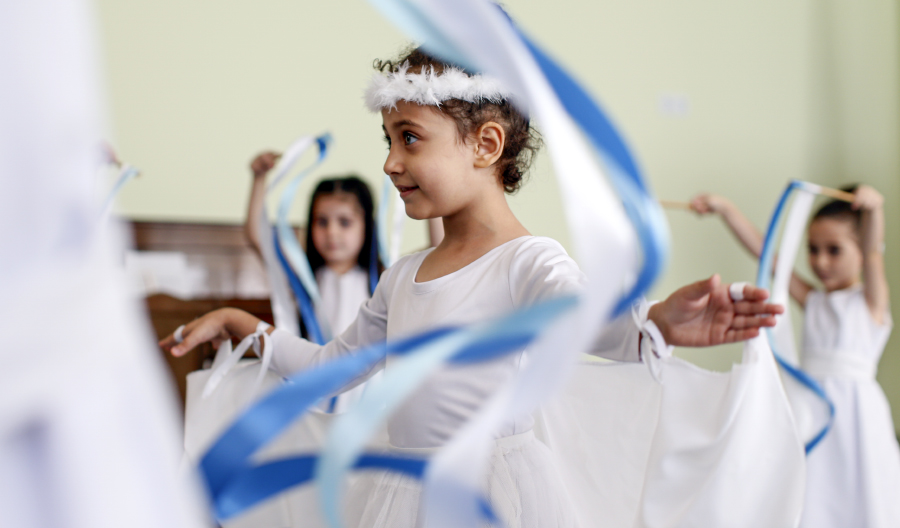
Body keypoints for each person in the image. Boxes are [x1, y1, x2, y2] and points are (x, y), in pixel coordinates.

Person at [162, 48, 782, 528]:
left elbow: (581, 318)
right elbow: (330, 368)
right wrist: (242, 324)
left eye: (410, 137)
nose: (390, 162)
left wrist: (657, 322)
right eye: (388, 140)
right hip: (403, 496)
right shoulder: (402, 277)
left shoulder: (527, 261)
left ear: (486, 145)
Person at [691, 186, 900, 528]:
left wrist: (874, 211)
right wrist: (726, 209)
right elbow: (769, 256)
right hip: (810, 410)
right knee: (815, 493)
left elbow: (874, 254)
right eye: (813, 250)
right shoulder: (814, 301)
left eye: (834, 250)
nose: (820, 261)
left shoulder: (871, 304)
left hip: (858, 418)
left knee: (865, 492)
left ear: (860, 250)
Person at [244, 155, 381, 412]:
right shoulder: (303, 281)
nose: (332, 232)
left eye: (344, 222)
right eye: (322, 221)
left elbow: (438, 246)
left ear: (367, 226)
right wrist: (259, 178)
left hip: (366, 406)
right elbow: (257, 236)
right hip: (314, 404)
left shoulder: (385, 279)